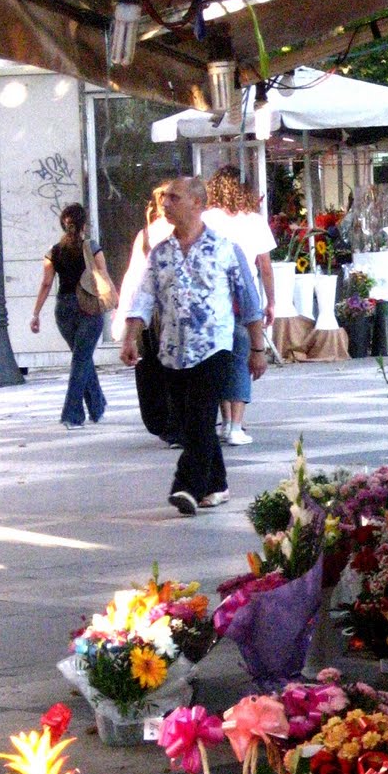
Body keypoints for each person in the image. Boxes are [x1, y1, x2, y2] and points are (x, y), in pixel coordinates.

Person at [120, 176, 267, 517]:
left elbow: (248, 300)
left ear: (198, 203)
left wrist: (257, 349)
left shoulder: (225, 249)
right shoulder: (160, 253)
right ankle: (217, 484)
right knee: (189, 424)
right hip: (171, 352)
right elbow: (143, 297)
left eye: (174, 197)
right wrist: (130, 337)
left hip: (214, 348)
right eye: (165, 198)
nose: (165, 203)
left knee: (201, 419)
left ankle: (186, 485)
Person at [203, 166, 276, 446]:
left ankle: (224, 423)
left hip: (214, 298)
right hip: (244, 299)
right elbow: (265, 267)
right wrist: (271, 301)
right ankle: (236, 425)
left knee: (221, 360)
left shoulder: (206, 219)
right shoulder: (254, 221)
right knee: (242, 361)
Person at [30, 202, 115, 429]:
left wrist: (36, 313)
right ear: (84, 224)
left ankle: (97, 406)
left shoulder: (53, 251)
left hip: (64, 310)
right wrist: (114, 302)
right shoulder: (92, 247)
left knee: (81, 358)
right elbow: (103, 276)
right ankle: (72, 415)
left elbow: (46, 283)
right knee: (81, 359)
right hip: (87, 307)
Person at [115, 183, 181, 445]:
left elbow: (134, 280)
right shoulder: (189, 231)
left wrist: (126, 322)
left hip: (153, 316)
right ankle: (181, 423)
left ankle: (165, 423)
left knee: (154, 368)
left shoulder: (146, 234)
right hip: (172, 312)